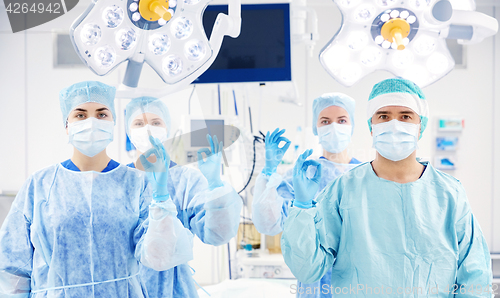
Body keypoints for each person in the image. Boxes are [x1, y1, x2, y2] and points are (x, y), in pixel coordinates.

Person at [281, 78, 493, 297]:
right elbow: (307, 269)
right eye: (383, 116)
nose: (394, 124)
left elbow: (474, 278)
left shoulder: (449, 194)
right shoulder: (344, 190)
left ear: (420, 126)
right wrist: (303, 207)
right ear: (371, 126)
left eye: (405, 116)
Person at [0, 81, 194, 297]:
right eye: (80, 115)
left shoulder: (136, 183)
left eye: (102, 114)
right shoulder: (40, 185)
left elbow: (160, 257)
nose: (91, 122)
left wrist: (160, 197)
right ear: (67, 125)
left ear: (113, 123)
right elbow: (13, 269)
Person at [125, 96, 243, 298]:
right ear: (128, 131)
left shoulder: (186, 181)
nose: (147, 129)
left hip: (175, 288)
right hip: (125, 287)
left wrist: (215, 184)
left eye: (155, 123)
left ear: (167, 129)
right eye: (139, 123)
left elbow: (217, 234)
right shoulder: (118, 180)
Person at [252, 93, 361, 298]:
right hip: (315, 285)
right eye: (325, 121)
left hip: (360, 283)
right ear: (315, 128)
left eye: (342, 120)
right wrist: (268, 172)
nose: (334, 126)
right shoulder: (302, 175)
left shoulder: (367, 175)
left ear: (352, 125)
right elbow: (268, 224)